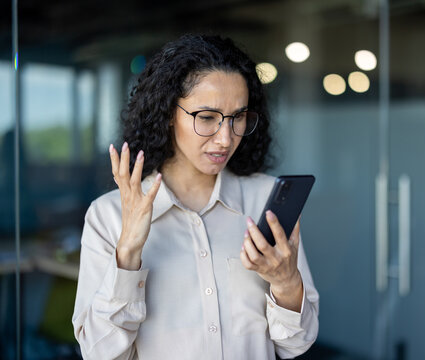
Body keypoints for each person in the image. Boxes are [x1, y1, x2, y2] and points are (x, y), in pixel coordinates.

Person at [72, 34, 319, 360]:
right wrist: (128, 252)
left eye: (238, 117)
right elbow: (100, 353)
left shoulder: (265, 201)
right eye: (206, 118)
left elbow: (296, 344)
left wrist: (287, 283)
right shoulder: (109, 216)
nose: (225, 138)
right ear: (167, 112)